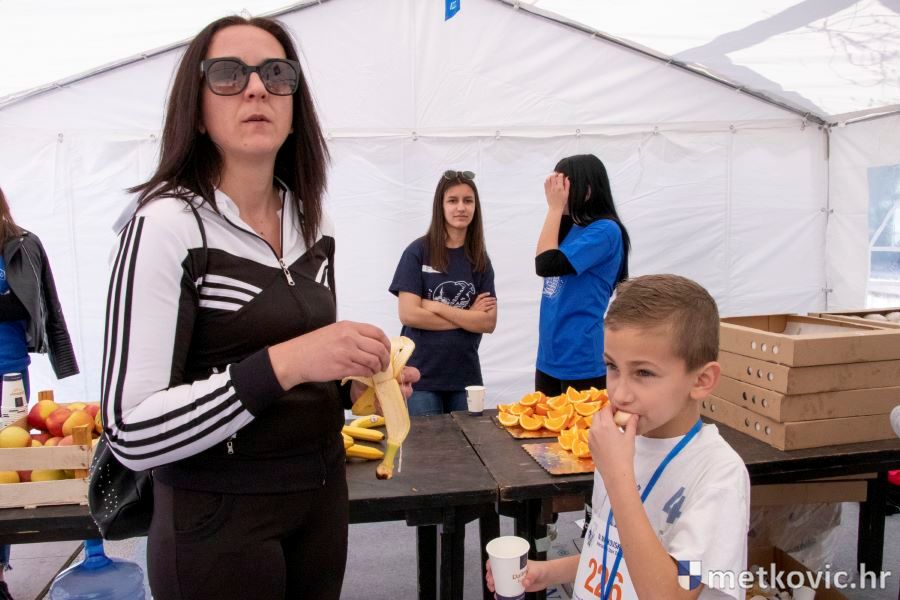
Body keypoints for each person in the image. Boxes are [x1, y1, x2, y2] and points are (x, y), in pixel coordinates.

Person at [101, 16, 418, 600]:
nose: (255, 88)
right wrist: (289, 362)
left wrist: (353, 383)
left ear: (295, 107)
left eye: (276, 74)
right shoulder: (166, 225)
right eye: (228, 74)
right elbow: (131, 429)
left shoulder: (312, 222)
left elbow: (302, 370)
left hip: (320, 505)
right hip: (217, 523)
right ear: (197, 111)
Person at [488, 274, 750, 599]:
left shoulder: (718, 476)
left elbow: (675, 591)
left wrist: (617, 477)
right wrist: (549, 571)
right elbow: (614, 548)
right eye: (612, 367)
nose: (620, 393)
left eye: (644, 373)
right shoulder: (623, 444)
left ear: (701, 380)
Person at [0, 185, 80, 600]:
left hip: (8, 372)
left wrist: (65, 361)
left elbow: (45, 304)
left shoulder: (22, 246)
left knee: (5, 471)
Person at [389, 170, 497, 415]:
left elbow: (488, 322)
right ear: (441, 206)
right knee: (429, 441)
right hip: (421, 378)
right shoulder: (417, 252)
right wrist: (468, 317)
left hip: (466, 378)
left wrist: (436, 306)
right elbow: (409, 315)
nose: (461, 207)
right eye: (452, 200)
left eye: (468, 201)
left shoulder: (480, 259)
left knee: (471, 441)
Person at [534, 154, 630, 397]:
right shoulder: (572, 227)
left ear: (587, 191)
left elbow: (545, 264)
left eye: (564, 184)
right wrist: (558, 210)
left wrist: (555, 208)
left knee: (582, 424)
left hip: (581, 357)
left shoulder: (605, 231)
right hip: (549, 356)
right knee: (544, 421)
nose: (558, 191)